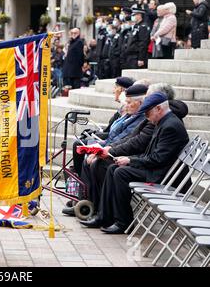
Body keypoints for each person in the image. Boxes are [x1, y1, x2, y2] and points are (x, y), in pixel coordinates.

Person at [80, 92, 189, 234]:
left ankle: (123, 222)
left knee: (120, 172)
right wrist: (128, 159)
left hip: (162, 174)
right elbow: (150, 153)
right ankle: (104, 216)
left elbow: (158, 159)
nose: (146, 116)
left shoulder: (170, 126)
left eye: (148, 112)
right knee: (114, 168)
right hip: (158, 167)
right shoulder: (163, 121)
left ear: (158, 109)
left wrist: (130, 160)